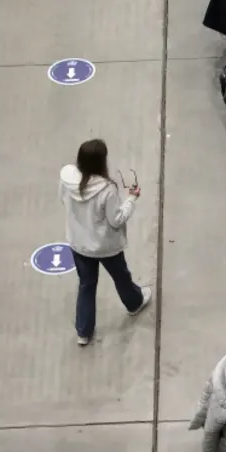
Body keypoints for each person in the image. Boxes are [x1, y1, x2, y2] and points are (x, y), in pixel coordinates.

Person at [59, 139, 151, 346]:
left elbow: (63, 200)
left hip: (79, 244)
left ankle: (83, 331)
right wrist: (131, 199)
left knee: (86, 285)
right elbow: (116, 220)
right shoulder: (107, 189)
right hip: (105, 246)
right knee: (121, 276)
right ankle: (134, 302)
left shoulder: (66, 178)